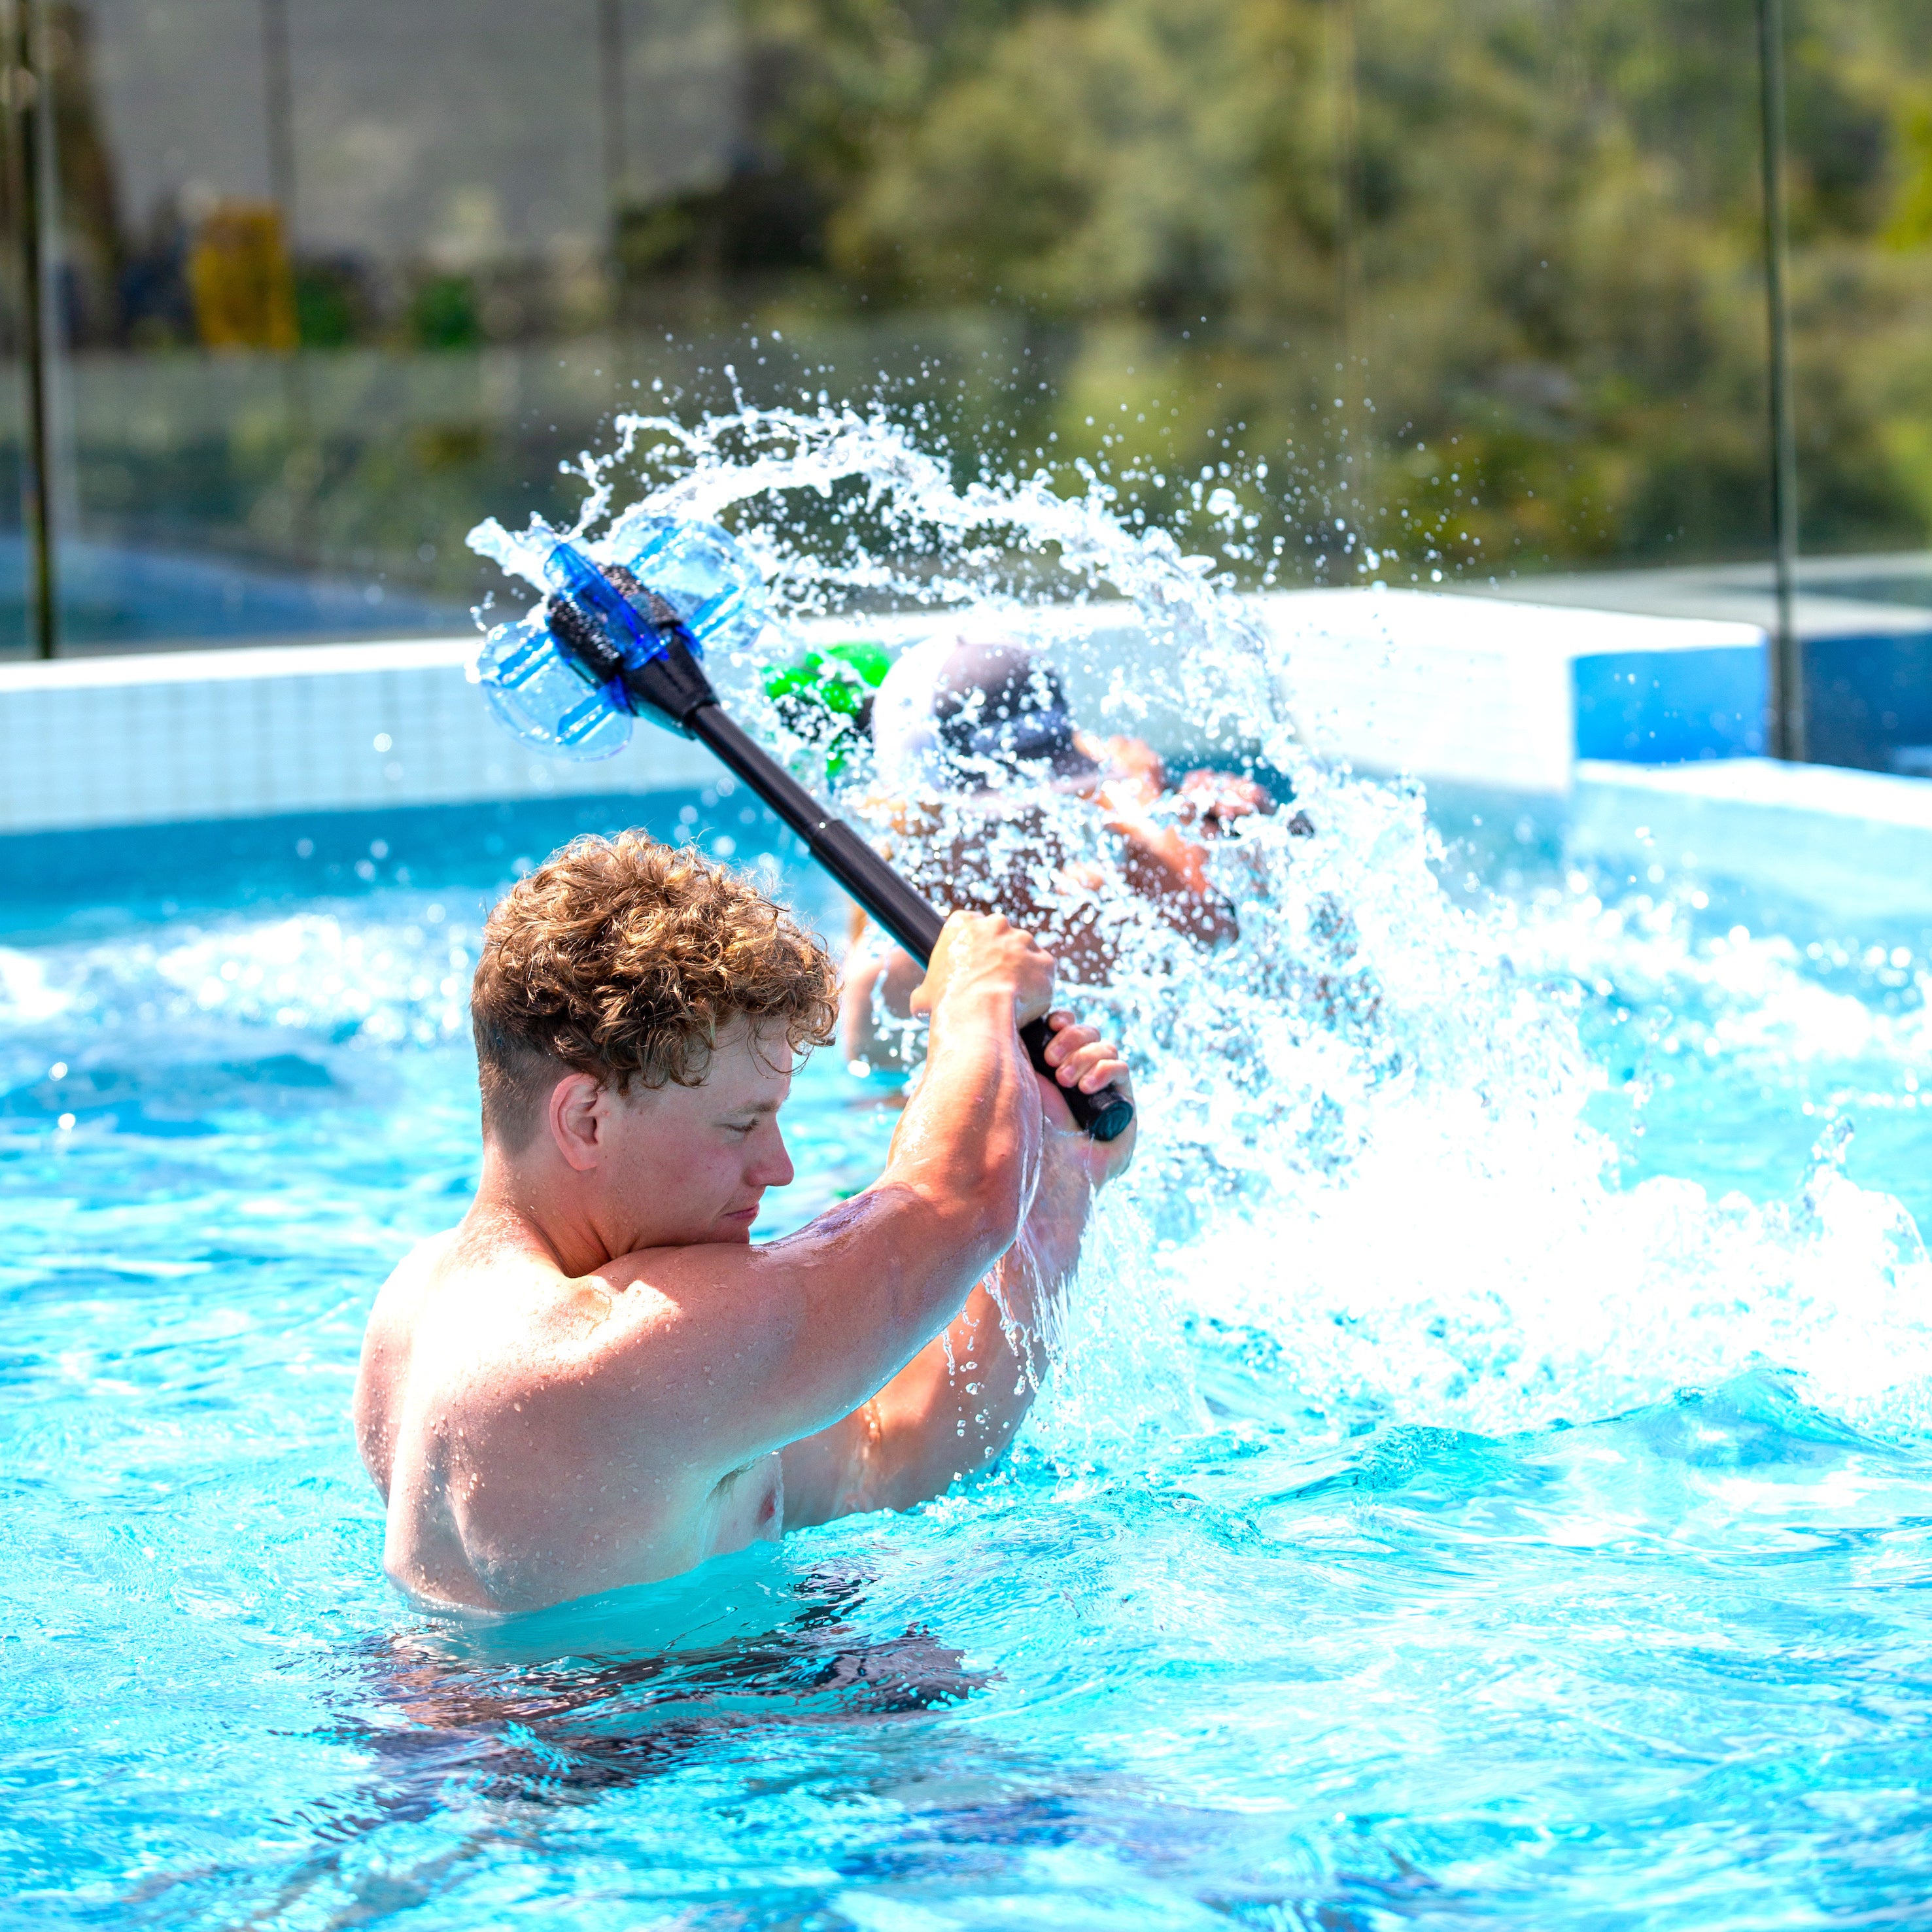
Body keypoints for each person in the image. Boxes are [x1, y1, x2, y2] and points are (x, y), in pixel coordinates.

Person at [352, 831, 1133, 1615]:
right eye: (740, 1125)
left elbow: (880, 1459)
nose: (778, 1166)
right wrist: (978, 1001)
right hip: (651, 1732)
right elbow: (953, 1204)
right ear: (587, 1118)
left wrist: (1058, 1185)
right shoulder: (614, 1350)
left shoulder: (418, 1304)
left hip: (639, 1706)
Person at [840, 634, 1277, 1070]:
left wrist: (1222, 833)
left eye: (1050, 799)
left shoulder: (1058, 900)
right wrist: (1141, 805)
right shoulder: (898, 973)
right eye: (996, 814)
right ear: (915, 815)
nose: (1030, 832)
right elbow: (1207, 927)